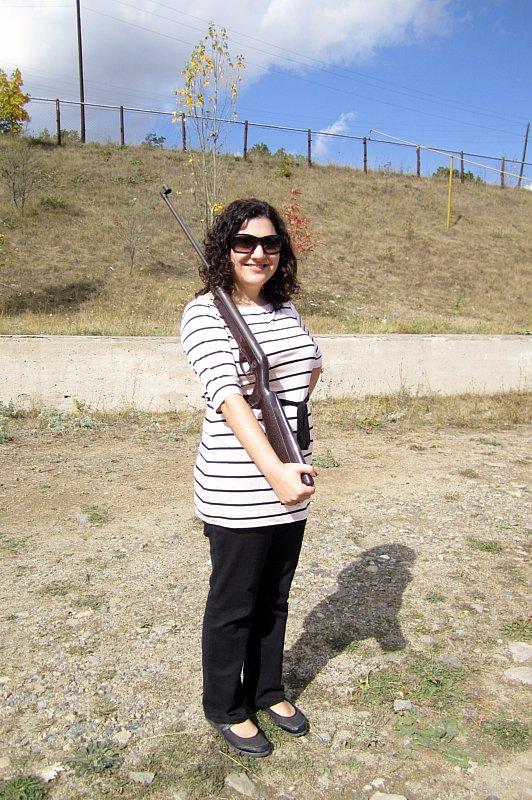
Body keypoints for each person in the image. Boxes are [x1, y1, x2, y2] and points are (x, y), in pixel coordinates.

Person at [180, 198, 322, 758]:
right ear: (225, 248)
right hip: (242, 485)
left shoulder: (284, 309)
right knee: (234, 600)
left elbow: (306, 368)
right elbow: (229, 399)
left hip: (293, 474)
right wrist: (276, 471)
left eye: (269, 243)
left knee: (275, 595)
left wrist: (292, 443)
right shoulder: (204, 313)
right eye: (244, 242)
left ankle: (266, 688)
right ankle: (225, 704)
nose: (257, 253)